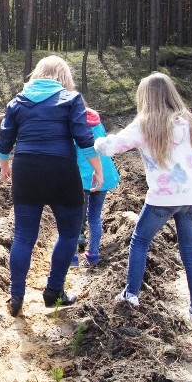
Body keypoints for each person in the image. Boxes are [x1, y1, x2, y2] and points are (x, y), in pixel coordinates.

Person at [96, 72, 192, 327]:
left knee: (140, 241)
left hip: (162, 197)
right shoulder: (190, 122)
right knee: (190, 251)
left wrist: (97, 142)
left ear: (145, 96)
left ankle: (131, 295)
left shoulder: (146, 123)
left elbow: (112, 146)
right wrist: (191, 179)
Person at [0, 55, 103, 317]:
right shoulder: (70, 100)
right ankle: (54, 292)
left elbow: (4, 140)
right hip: (61, 169)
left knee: (23, 235)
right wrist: (98, 170)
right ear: (63, 77)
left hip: (26, 169)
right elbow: (84, 138)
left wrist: (5, 166)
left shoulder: (17, 102)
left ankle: (16, 295)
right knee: (68, 233)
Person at [72, 106, 120, 267]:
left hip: (82, 176)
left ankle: (72, 257)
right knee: (94, 216)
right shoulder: (97, 123)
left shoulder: (74, 124)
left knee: (75, 215)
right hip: (103, 174)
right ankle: (93, 255)